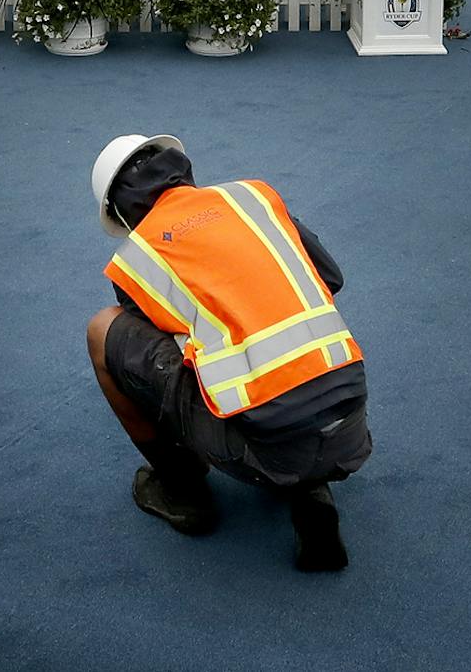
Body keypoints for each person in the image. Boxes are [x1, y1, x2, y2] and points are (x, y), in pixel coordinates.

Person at [84, 133, 371, 572]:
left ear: (119, 212)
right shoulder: (252, 197)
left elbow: (168, 350)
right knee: (287, 386)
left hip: (262, 448)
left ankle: (182, 491)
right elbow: (329, 278)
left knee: (102, 330)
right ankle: (311, 490)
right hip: (349, 425)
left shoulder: (135, 258)